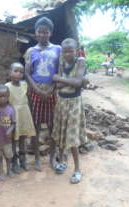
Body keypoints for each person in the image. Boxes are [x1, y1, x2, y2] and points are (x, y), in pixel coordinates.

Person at [24, 17, 61, 171]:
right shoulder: (31, 51)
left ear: (50, 33)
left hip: (52, 92)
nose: (43, 35)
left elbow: (59, 71)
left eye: (46, 32)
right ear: (36, 33)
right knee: (36, 127)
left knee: (53, 126)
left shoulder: (57, 49)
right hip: (35, 92)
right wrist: (37, 90)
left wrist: (52, 88)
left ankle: (52, 157)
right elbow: (27, 73)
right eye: (40, 32)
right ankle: (37, 158)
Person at [52, 38, 88, 184]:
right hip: (61, 102)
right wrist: (72, 81)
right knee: (61, 134)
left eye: (70, 51)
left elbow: (78, 82)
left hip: (74, 103)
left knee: (72, 138)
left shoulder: (81, 61)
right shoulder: (61, 63)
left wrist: (61, 79)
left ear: (77, 50)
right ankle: (62, 161)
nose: (67, 54)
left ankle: (77, 170)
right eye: (64, 51)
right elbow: (59, 86)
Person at [5, 62, 36, 173]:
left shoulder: (24, 84)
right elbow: (5, 105)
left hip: (24, 114)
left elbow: (29, 99)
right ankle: (14, 162)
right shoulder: (7, 87)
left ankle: (23, 160)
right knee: (14, 139)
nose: (18, 74)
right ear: (9, 73)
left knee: (23, 138)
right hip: (13, 116)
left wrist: (31, 114)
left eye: (21, 72)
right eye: (16, 71)